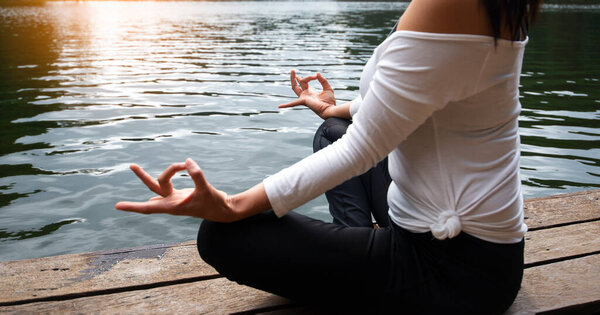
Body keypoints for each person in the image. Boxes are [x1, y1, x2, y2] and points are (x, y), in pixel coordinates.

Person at [115, 0, 541, 312]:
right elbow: (418, 97)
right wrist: (330, 108)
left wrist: (231, 204)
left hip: (454, 272)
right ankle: (357, 239)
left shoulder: (451, 5)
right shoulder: (490, 6)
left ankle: (359, 260)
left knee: (222, 235)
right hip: (470, 247)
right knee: (332, 130)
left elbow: (362, 150)